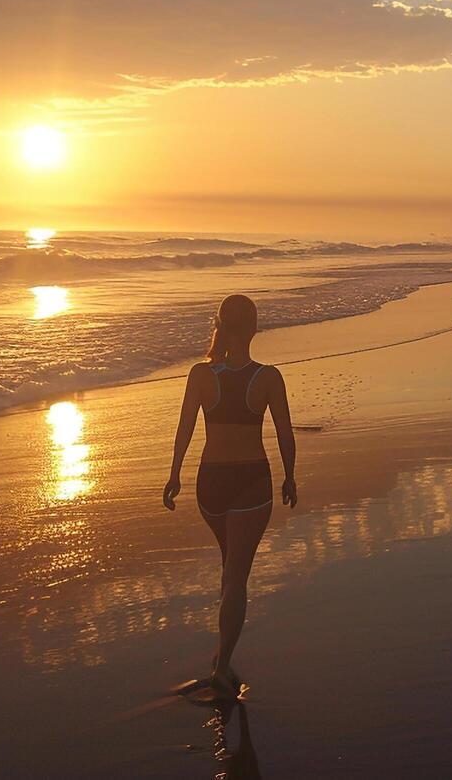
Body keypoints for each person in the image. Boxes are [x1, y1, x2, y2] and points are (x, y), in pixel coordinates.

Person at [164, 293, 297, 699]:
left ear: (220, 325)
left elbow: (185, 428)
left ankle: (221, 656)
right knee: (237, 577)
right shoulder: (269, 377)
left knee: (229, 566)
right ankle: (221, 668)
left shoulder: (200, 375)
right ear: (255, 328)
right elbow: (285, 434)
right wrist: (290, 477)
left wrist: (174, 476)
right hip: (251, 484)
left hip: (210, 485)